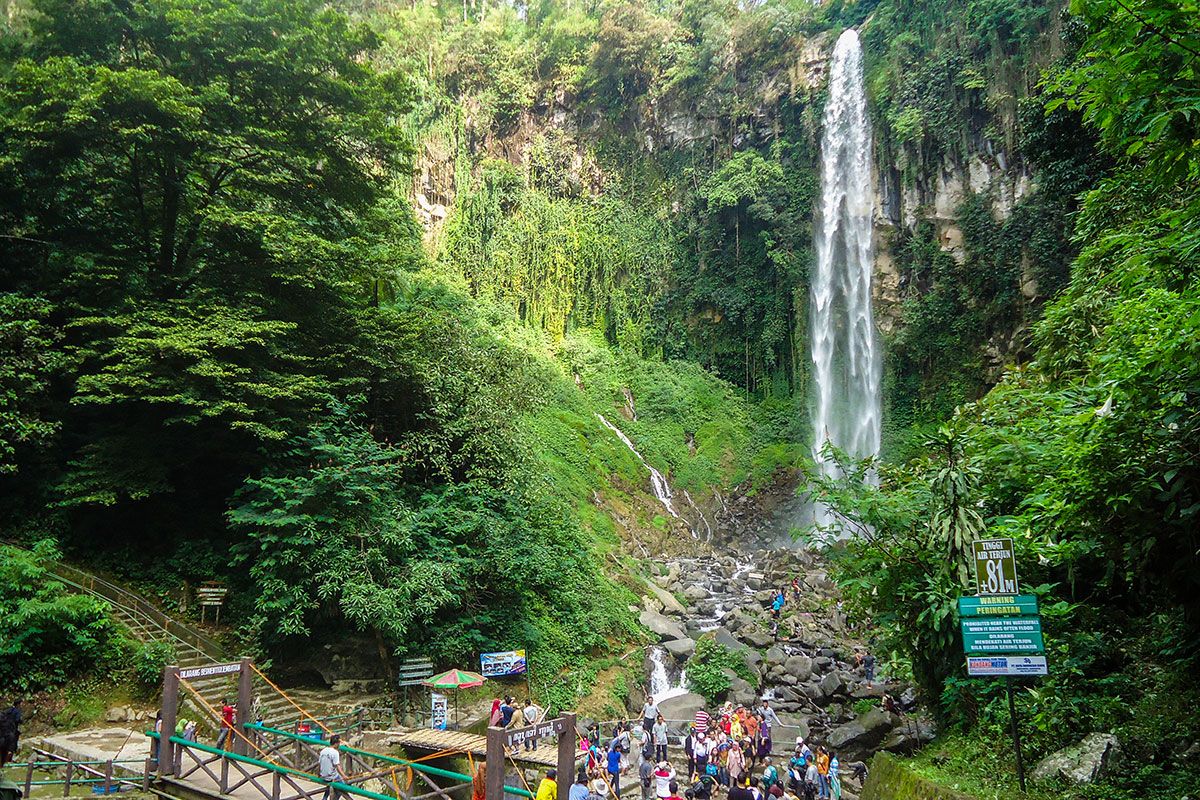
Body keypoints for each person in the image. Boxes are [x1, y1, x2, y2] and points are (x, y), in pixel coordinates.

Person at [319, 734, 348, 800]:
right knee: (343, 788)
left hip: (323, 776)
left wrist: (319, 774)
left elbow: (319, 763)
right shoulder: (335, 753)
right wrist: (344, 776)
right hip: (332, 777)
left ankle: (324, 798)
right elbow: (338, 766)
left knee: (329, 785)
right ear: (337, 743)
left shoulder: (323, 751)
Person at [0, 700, 21, 767]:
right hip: (11, 729)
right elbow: (17, 720)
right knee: (11, 746)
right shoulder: (17, 711)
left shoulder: (8, 710)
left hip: (4, 732)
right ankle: (6, 762)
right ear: (18, 704)